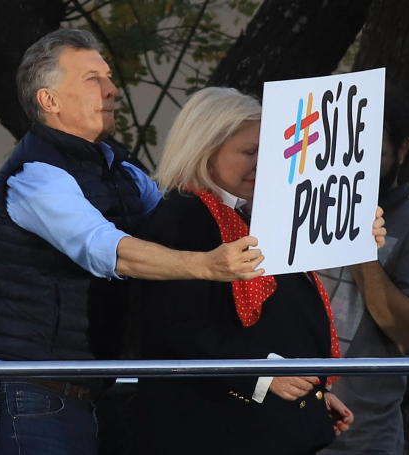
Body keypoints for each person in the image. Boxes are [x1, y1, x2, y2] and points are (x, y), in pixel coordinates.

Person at [0, 30, 264, 455]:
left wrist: (315, 215)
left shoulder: (121, 168)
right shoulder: (35, 175)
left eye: (109, 77)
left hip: (94, 393)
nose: (111, 89)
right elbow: (103, 248)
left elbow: (180, 224)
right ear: (49, 100)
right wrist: (208, 265)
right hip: (31, 393)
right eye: (93, 79)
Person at [135, 87, 385, 455]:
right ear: (205, 150)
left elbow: (280, 320)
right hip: (213, 432)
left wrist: (312, 396)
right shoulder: (183, 216)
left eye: (268, 153)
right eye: (250, 152)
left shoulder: (252, 215)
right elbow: (176, 327)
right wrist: (264, 376)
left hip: (262, 425)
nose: (263, 164)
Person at [316, 89, 409, 455]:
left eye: (371, 143)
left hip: (362, 441)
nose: (355, 155)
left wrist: (359, 244)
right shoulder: (304, 213)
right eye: (346, 141)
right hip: (285, 431)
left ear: (402, 150)